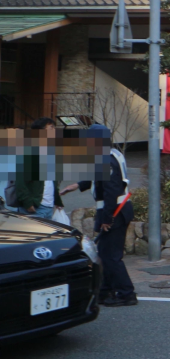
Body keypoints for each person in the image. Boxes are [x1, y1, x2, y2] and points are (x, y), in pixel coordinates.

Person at [61, 124, 136, 307]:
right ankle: (105, 290)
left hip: (114, 211)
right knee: (104, 253)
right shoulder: (108, 155)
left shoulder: (106, 160)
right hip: (116, 210)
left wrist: (106, 219)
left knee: (111, 256)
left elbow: (111, 191)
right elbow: (96, 177)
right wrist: (77, 185)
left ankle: (126, 294)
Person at [6, 117, 56, 219]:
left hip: (48, 206)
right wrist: (28, 203)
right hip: (35, 207)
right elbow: (20, 180)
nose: (54, 131)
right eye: (51, 128)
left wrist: (57, 200)